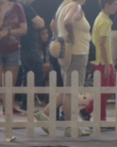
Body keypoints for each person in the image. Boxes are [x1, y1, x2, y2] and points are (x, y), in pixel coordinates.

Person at [35, 0, 91, 137]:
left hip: (66, 54)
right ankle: (70, 126)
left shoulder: (63, 6)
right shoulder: (75, 6)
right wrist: (71, 38)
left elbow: (53, 24)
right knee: (72, 92)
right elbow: (68, 22)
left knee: (67, 90)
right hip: (76, 53)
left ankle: (44, 114)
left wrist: (61, 38)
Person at [0, 0, 27, 129]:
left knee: (9, 86)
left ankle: (8, 119)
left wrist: (7, 32)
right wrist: (2, 11)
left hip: (13, 50)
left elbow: (24, 29)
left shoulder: (18, 7)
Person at [79, 0, 117, 124]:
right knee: (104, 91)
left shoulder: (103, 19)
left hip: (104, 61)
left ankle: (87, 110)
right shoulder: (104, 21)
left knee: (109, 89)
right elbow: (102, 44)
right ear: (107, 5)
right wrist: (107, 65)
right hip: (102, 62)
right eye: (115, 4)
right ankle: (101, 119)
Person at [18, 0, 44, 111]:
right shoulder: (26, 7)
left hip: (22, 46)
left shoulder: (17, 5)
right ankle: (30, 101)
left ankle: (25, 104)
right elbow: (41, 23)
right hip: (30, 47)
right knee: (38, 72)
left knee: (27, 75)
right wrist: (36, 23)